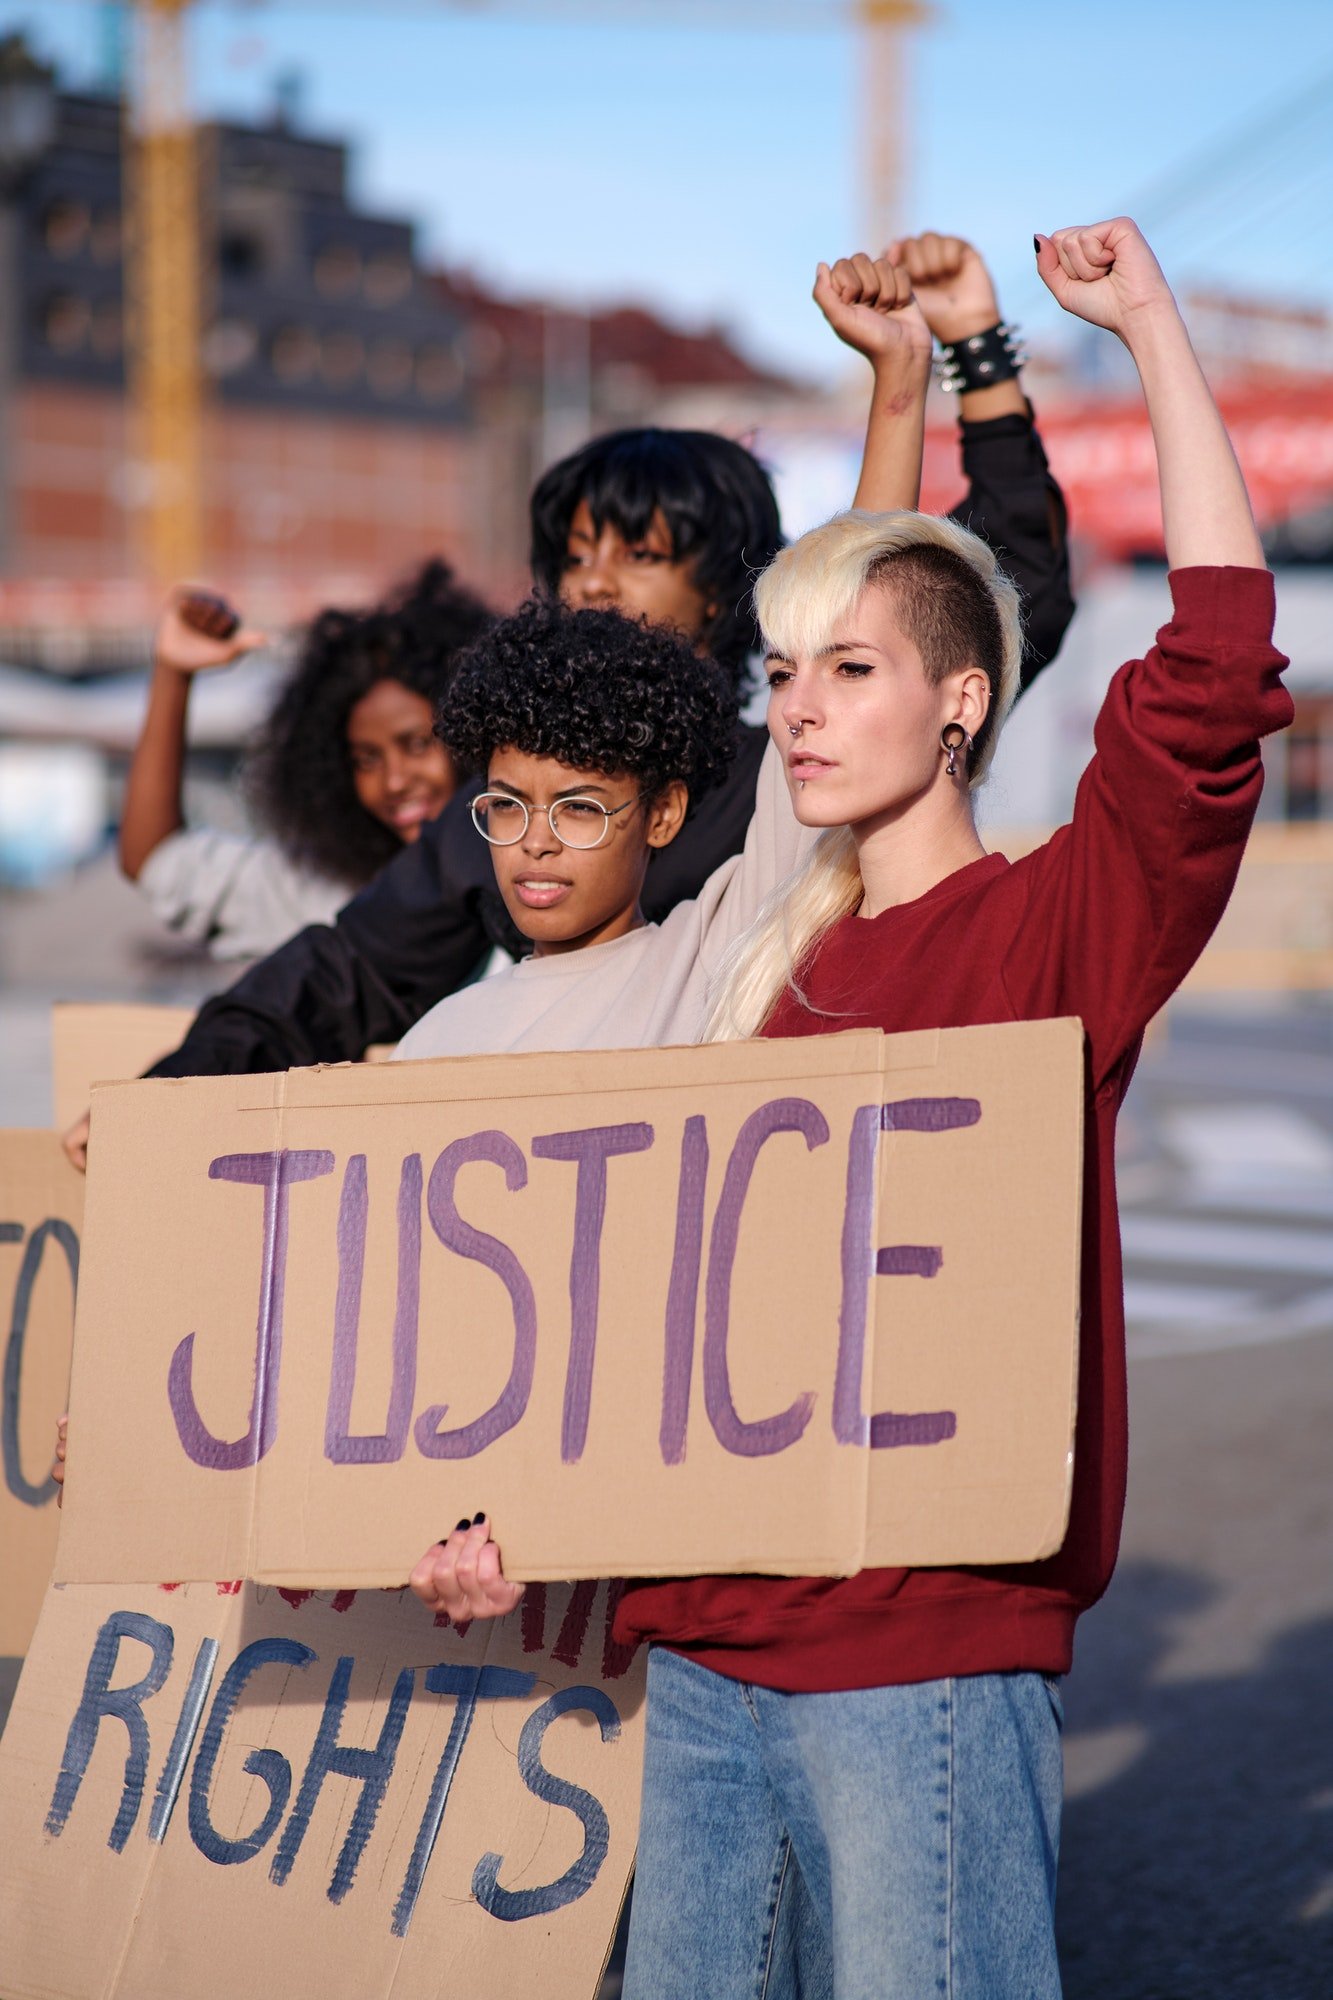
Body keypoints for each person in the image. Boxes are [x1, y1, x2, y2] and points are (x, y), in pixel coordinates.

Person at [413, 218, 1292, 1997]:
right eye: (783, 676)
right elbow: (643, 1290)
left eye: (852, 670)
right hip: (702, 1641)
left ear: (962, 702)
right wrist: (520, 1508)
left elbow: (1210, 666)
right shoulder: (750, 953)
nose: (799, 711)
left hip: (923, 1658)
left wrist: (1146, 332)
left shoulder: (1055, 928)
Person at [102, 233, 1074, 1098]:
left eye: (641, 555)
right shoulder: (490, 822)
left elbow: (976, 596)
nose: (597, 584)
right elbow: (346, 969)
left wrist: (943, 365)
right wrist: (172, 1092)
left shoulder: (804, 774)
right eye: (573, 554)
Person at [120, 560, 493, 961]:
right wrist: (173, 674)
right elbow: (157, 860)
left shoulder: (536, 887)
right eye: (366, 759)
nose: (394, 781)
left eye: (418, 745)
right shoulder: (332, 895)